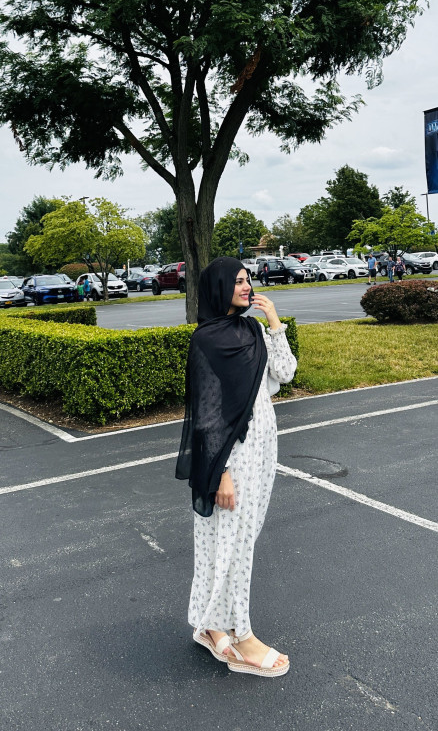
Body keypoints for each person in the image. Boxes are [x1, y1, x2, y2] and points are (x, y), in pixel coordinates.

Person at [176, 257, 297, 678]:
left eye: (249, 280)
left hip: (263, 449)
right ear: (219, 287)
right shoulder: (206, 341)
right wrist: (222, 472)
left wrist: (274, 322)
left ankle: (210, 624)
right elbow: (206, 414)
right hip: (232, 456)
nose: (247, 287)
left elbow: (284, 373)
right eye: (238, 281)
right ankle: (241, 635)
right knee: (230, 543)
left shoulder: (253, 330)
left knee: (236, 541)